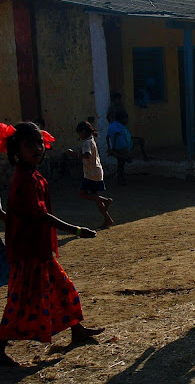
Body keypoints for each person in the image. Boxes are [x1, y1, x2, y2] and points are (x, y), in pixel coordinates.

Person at [0, 122, 104, 367]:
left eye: (39, 143)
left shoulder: (31, 175)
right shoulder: (26, 179)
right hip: (29, 252)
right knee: (20, 300)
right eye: (30, 145)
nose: (37, 148)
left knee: (62, 287)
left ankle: (77, 329)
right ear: (17, 150)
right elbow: (41, 216)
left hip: (38, 249)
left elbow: (20, 215)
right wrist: (78, 231)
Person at [65, 121, 113, 229]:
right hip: (95, 172)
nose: (79, 136)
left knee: (82, 193)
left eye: (79, 133)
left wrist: (73, 154)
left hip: (91, 173)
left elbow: (87, 155)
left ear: (83, 132)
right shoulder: (91, 141)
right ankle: (107, 219)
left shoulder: (87, 142)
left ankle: (106, 200)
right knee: (96, 198)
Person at [106, 92, 149, 160]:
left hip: (120, 131)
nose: (120, 101)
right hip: (119, 137)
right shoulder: (113, 109)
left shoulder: (119, 107)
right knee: (122, 157)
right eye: (119, 99)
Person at [107, 110, 134, 185]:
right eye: (126, 119)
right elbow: (116, 135)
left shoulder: (112, 125)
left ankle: (121, 177)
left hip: (117, 146)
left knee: (120, 162)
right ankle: (120, 178)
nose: (127, 121)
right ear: (122, 119)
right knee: (124, 160)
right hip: (121, 146)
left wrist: (110, 147)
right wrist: (114, 148)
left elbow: (107, 136)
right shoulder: (118, 126)